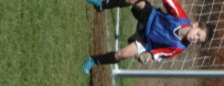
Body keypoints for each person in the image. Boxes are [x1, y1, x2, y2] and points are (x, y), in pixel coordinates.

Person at [82, 0, 215, 74]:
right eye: (197, 34)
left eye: (198, 41)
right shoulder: (181, 18)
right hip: (151, 16)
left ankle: (93, 61)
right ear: (195, 24)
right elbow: (169, 1)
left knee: (121, 54)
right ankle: (102, 4)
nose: (195, 39)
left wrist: (148, 56)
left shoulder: (179, 47)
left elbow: (161, 54)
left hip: (146, 40)